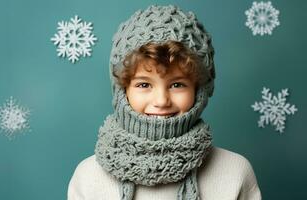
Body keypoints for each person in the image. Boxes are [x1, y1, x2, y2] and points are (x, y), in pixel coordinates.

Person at [67, 5, 261, 200]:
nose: (161, 101)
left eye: (177, 84)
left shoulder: (235, 172)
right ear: (123, 89)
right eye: (144, 84)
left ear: (199, 88)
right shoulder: (88, 177)